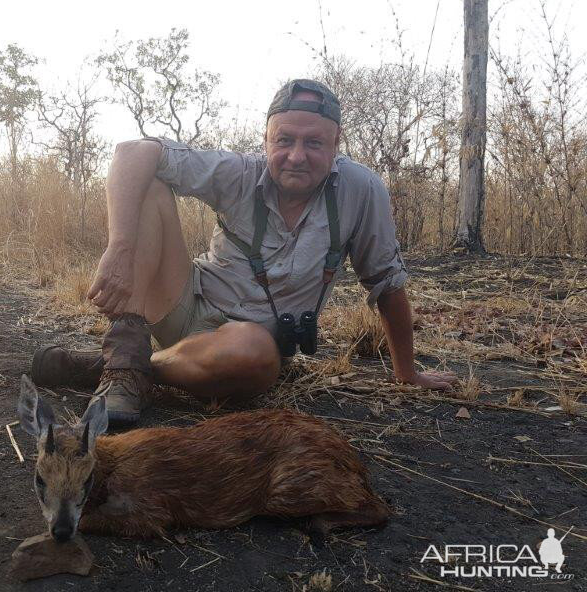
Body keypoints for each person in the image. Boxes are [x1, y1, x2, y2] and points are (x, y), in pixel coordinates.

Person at [32, 79, 458, 425]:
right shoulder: (239, 171)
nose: (296, 156)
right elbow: (133, 152)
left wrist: (408, 374)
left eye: (314, 143)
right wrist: (120, 247)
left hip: (249, 346)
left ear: (335, 144)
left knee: (252, 351)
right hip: (184, 303)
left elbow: (386, 282)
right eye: (284, 140)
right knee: (151, 183)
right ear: (266, 139)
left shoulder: (362, 190)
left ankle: (117, 367)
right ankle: (125, 363)